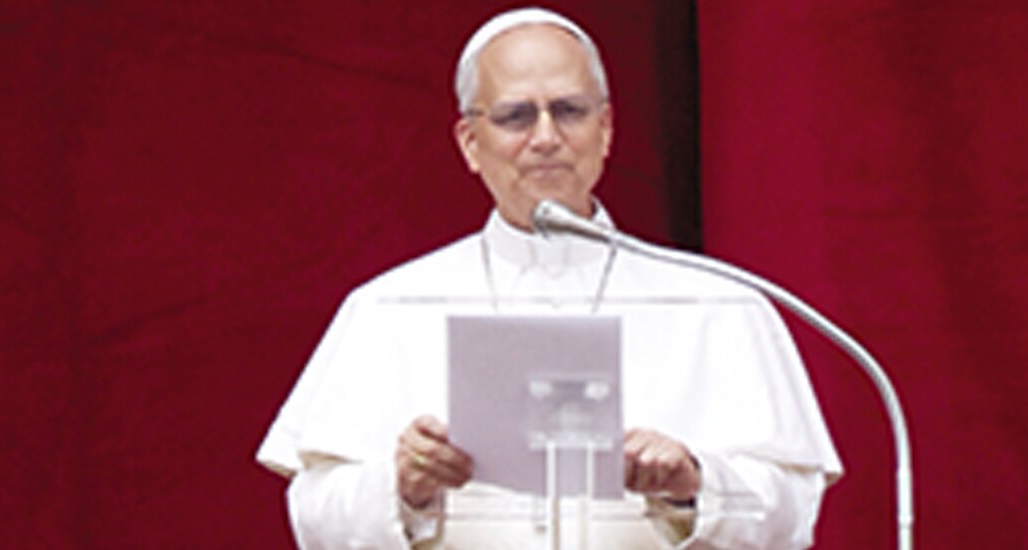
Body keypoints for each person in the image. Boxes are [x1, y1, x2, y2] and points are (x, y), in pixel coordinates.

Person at [257, 7, 841, 549]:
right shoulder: (387, 308)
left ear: (606, 129)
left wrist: (694, 483)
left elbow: (794, 516)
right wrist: (402, 486)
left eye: (569, 111)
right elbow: (314, 517)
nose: (544, 138)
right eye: (515, 116)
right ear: (470, 143)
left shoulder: (716, 303)